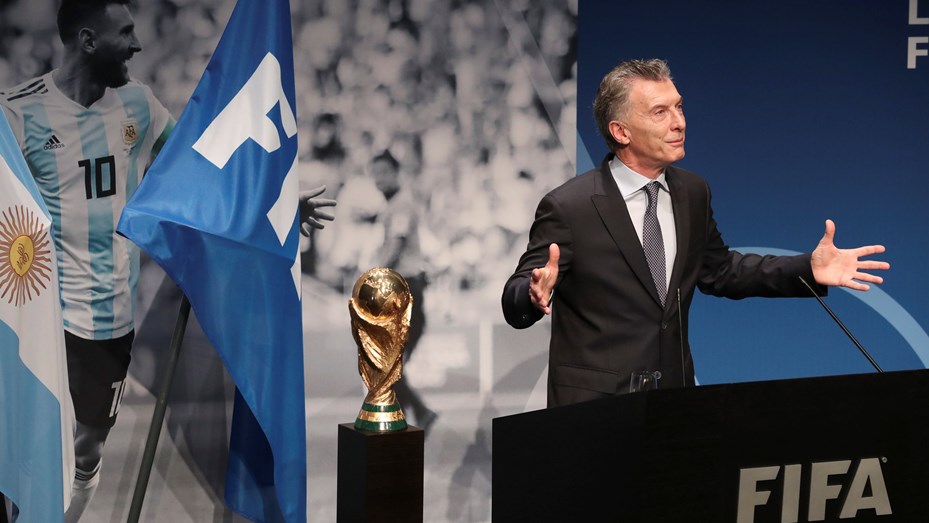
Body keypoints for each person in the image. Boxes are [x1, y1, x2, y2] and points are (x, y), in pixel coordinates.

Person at [0, 1, 334, 520]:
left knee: (86, 451)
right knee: (26, 447)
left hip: (108, 319)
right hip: (40, 317)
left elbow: (204, 171)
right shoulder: (15, 114)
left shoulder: (138, 105)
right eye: (125, 33)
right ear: (88, 41)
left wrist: (278, 205)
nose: (137, 44)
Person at [501, 59, 889, 408]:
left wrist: (807, 268)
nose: (679, 122)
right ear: (621, 131)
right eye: (660, 112)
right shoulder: (570, 206)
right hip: (594, 411)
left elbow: (720, 271)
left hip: (675, 405)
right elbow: (516, 296)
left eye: (679, 107)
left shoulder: (692, 191)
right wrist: (533, 294)